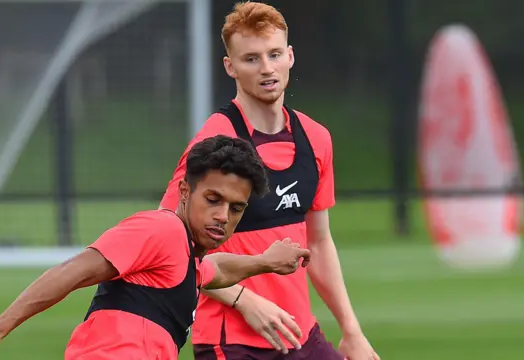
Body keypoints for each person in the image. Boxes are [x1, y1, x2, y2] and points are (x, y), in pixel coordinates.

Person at [0, 135, 313, 360]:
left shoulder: (183, 258)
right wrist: (0, 326)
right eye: (212, 199)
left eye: (235, 208)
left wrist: (264, 261)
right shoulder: (160, 228)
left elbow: (216, 271)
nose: (222, 216)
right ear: (185, 191)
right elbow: (75, 270)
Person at [159, 2, 380, 360]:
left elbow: (319, 243)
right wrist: (245, 301)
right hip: (232, 342)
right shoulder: (215, 142)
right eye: (251, 59)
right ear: (230, 66)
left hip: (299, 336)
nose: (267, 68)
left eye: (274, 54)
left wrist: (352, 331)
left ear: (290, 56)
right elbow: (169, 246)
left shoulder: (316, 138)